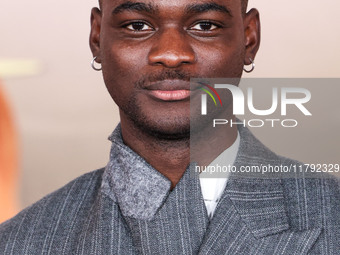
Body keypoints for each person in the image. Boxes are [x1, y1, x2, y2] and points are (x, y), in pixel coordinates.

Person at [1, 0, 339, 254]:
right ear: (97, 36)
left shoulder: (332, 213)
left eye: (205, 26)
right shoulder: (17, 242)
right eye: (137, 26)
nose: (171, 54)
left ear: (249, 39)